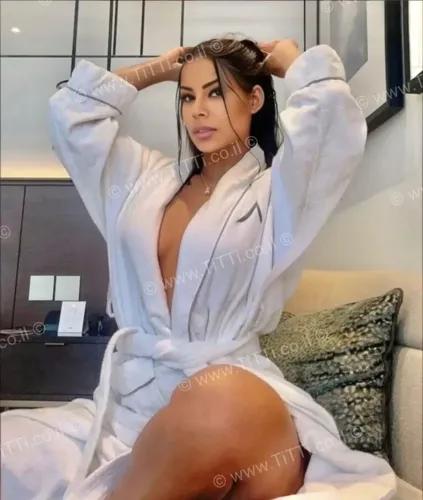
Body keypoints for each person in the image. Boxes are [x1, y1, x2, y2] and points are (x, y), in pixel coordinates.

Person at [1, 37, 397, 499]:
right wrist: (157, 69)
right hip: (128, 410)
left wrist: (295, 64)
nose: (198, 111)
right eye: (188, 96)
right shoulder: (142, 180)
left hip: (227, 404)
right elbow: (73, 115)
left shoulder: (276, 194)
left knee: (219, 397)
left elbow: (331, 132)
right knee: (12, 445)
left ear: (254, 99)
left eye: (216, 92)